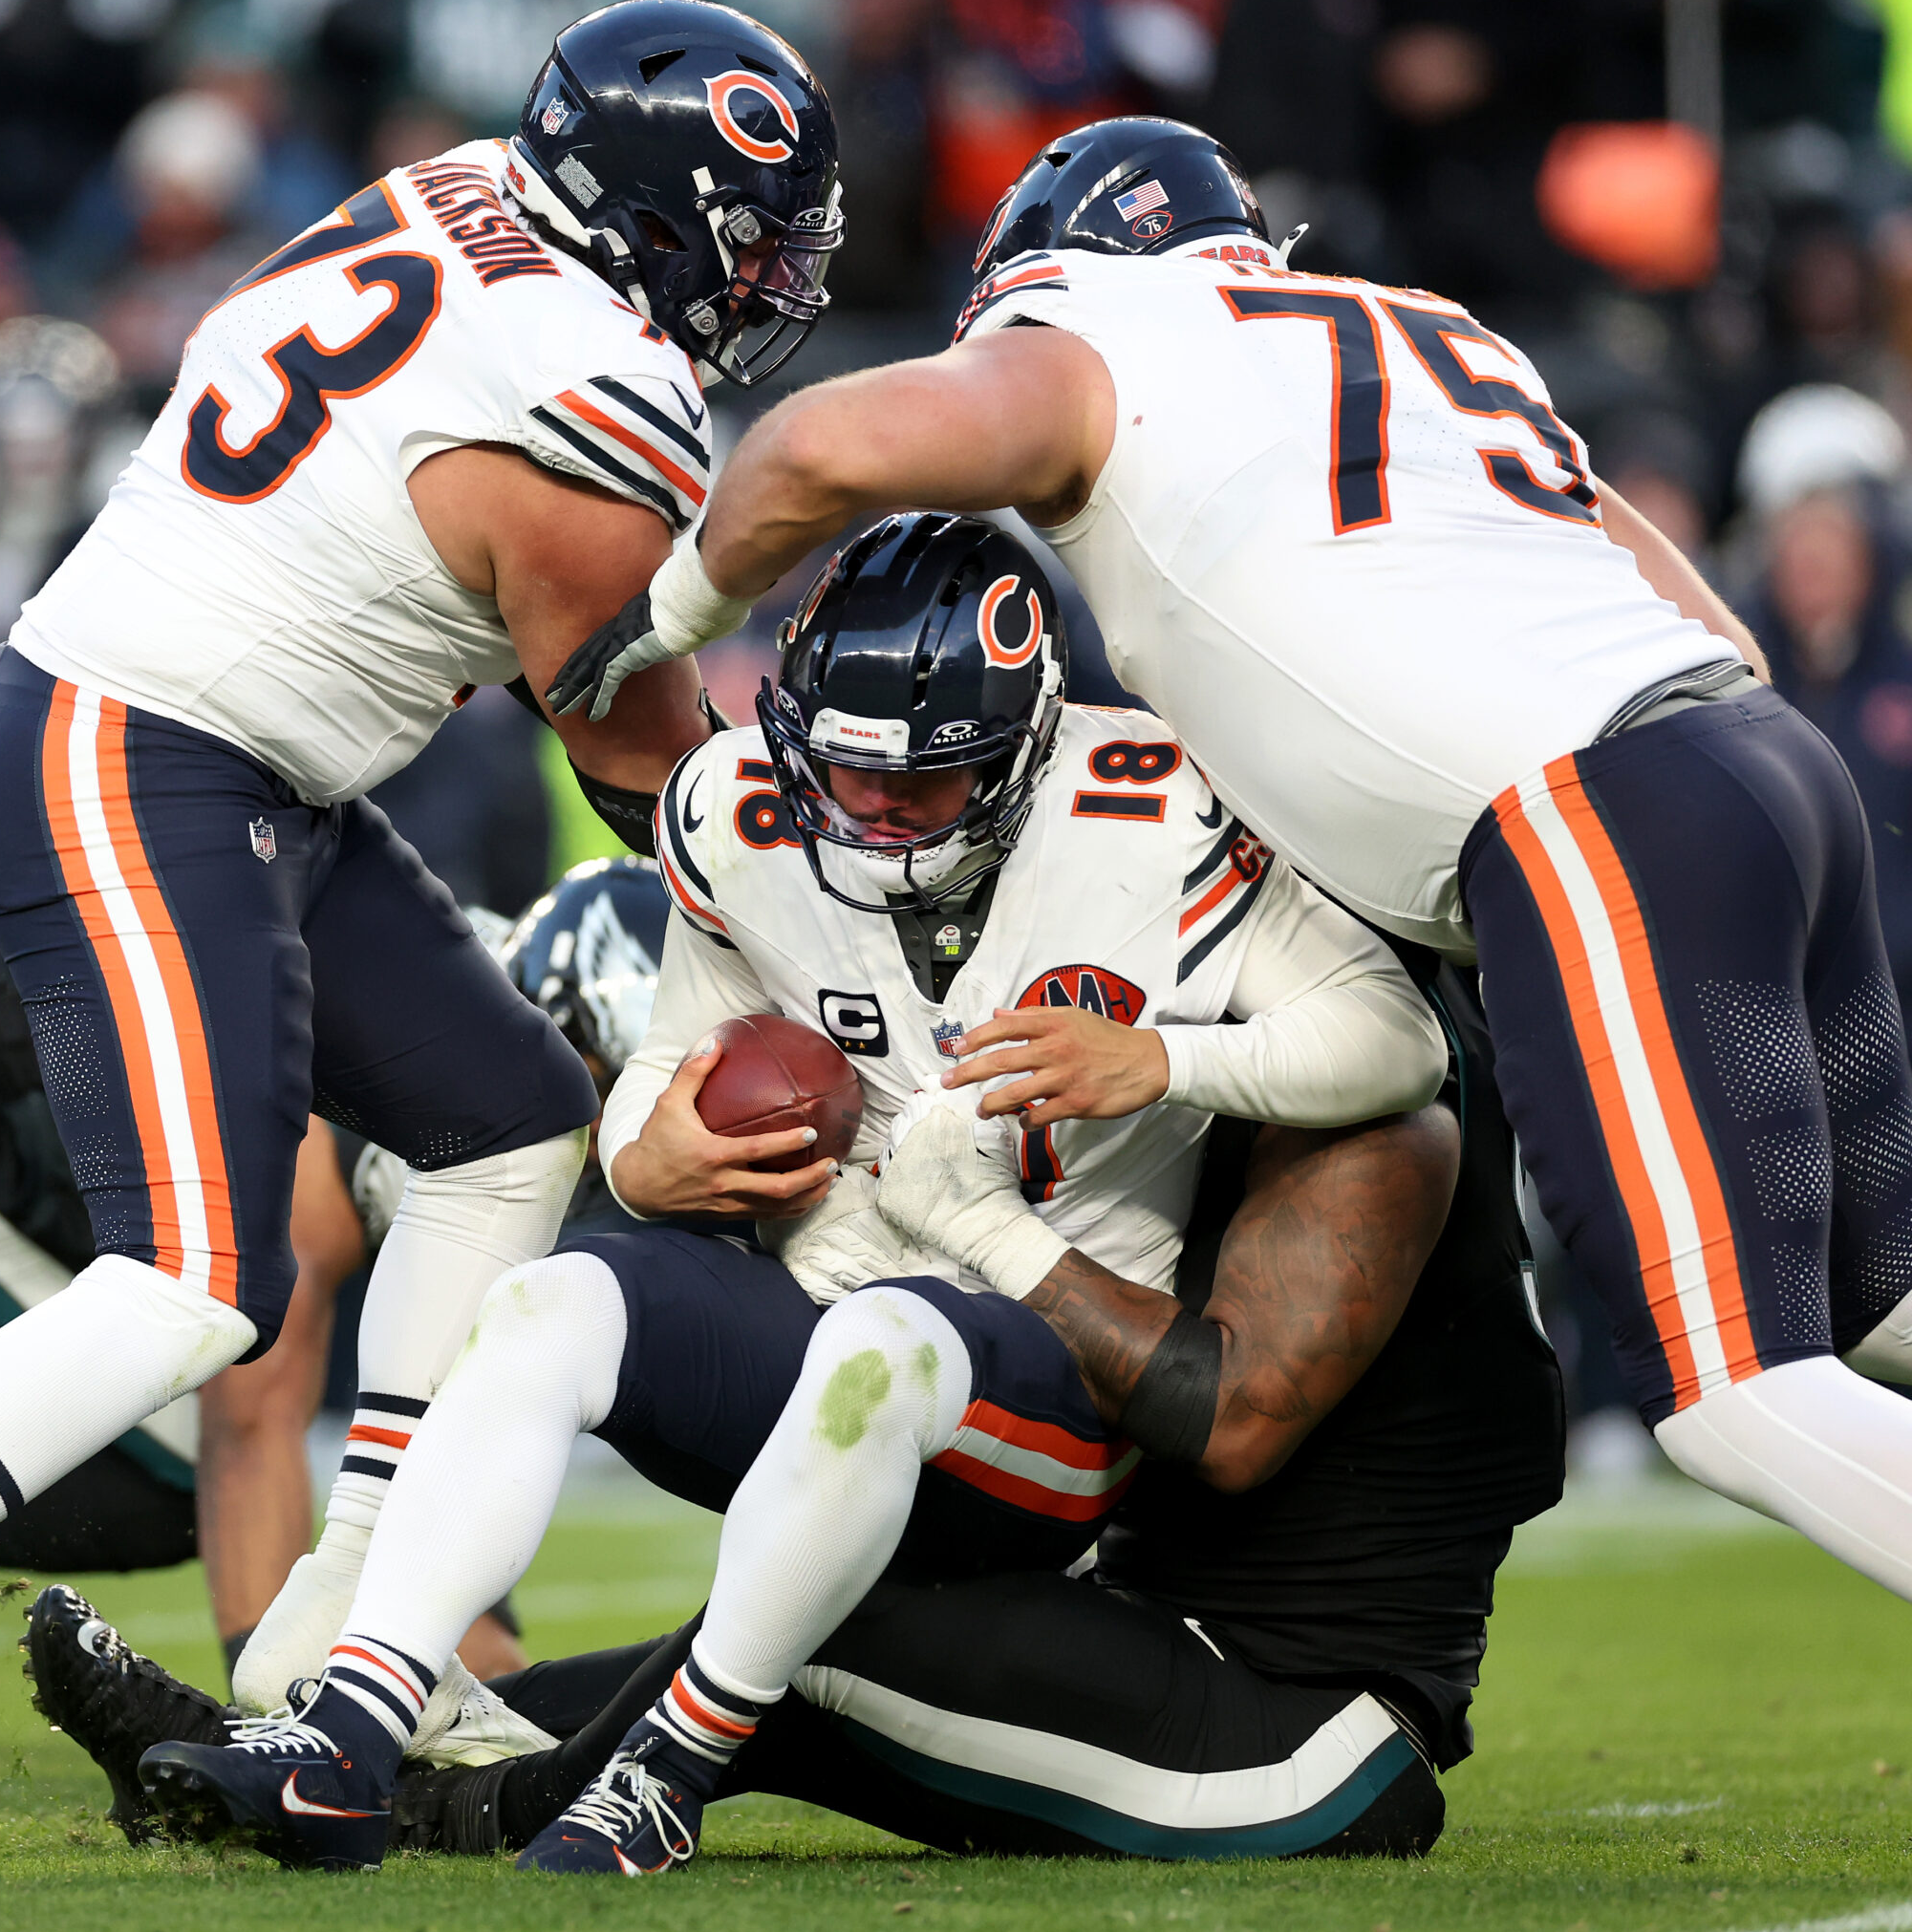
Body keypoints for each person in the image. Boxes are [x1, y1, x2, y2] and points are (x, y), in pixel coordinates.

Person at [0, 0, 843, 1872]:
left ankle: (358, 1624)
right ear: (663, 219)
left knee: (506, 1125)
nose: (767, 281)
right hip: (148, 750)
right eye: (752, 239)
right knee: (202, 1279)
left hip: (238, 756)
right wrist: (808, 886)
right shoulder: (600, 393)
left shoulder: (449, 195)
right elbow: (621, 738)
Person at [550, 116, 1912, 1622]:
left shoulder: (1098, 332)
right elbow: (1716, 632)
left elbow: (816, 449)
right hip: (1763, 764)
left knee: (1729, 1389)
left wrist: (664, 615)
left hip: (1593, 808)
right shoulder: (1422, 330)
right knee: (1882, 1300)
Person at [124, 509, 1451, 1871]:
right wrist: (650, 1152)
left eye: (920, 785)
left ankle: (668, 1771)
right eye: (844, 770)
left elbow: (1398, 1044)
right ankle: (352, 1724)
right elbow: (662, 1056)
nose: (872, 811)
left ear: (1025, 746)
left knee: (886, 1346)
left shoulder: (1158, 811)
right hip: (821, 1308)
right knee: (552, 1301)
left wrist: (1166, 1057)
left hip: (1040, 1386)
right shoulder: (739, 810)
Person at [0, 858, 674, 1773]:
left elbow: (433, 1427)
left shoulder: (465, 1011)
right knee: (170, 1460)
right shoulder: (446, 1091)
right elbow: (254, 1416)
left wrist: (463, 1661)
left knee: (23, 1381)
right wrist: (290, 1715)